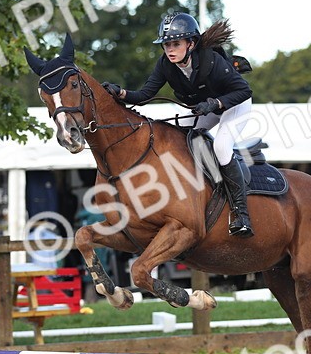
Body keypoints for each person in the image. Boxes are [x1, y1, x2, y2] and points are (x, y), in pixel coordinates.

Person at [101, 12, 255, 237]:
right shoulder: (166, 65)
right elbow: (145, 94)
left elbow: (244, 90)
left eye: (175, 44)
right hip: (207, 107)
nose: (169, 50)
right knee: (180, 136)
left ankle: (241, 214)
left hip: (234, 104)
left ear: (190, 43)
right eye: (166, 45)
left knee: (221, 146)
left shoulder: (213, 61)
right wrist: (121, 93)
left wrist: (215, 103)